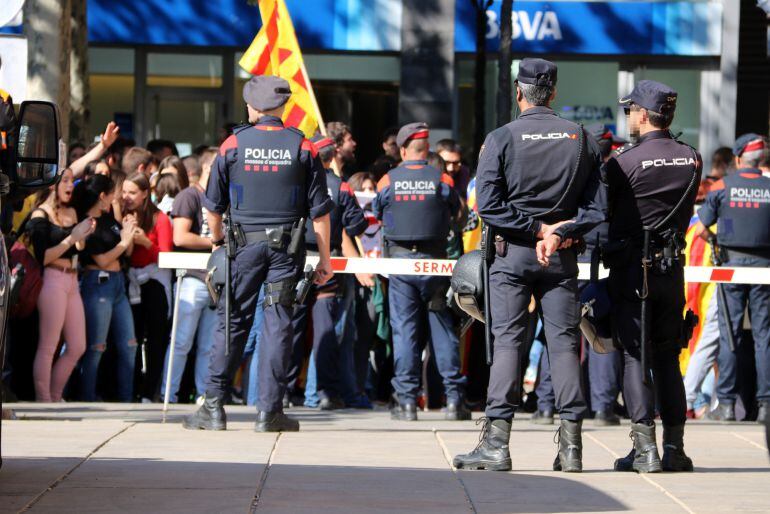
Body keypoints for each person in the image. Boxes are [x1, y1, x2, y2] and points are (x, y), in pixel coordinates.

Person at [453, 59, 604, 473]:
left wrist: (537, 229)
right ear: (553, 93)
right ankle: (572, 449)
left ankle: (497, 446)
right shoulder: (581, 138)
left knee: (508, 344)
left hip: (512, 254)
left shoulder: (501, 137)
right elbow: (598, 209)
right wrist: (558, 231)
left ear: (519, 93)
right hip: (562, 256)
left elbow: (488, 206)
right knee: (563, 345)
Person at [183, 75, 333, 432]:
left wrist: (219, 240)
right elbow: (320, 212)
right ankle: (269, 412)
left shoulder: (232, 144)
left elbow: (213, 207)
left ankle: (214, 406)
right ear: (282, 107)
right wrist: (325, 259)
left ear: (252, 107)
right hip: (287, 249)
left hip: (242, 247)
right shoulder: (304, 147)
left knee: (232, 321)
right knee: (279, 323)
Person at [603, 80, 701, 473]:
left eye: (630, 110)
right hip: (671, 272)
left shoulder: (623, 162)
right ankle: (674, 448)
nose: (628, 116)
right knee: (667, 357)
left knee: (634, 357)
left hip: (634, 270)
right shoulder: (692, 157)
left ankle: (645, 450)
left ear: (644, 114)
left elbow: (607, 214)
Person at [373, 122, 469, 422]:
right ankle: (454, 401)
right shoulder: (441, 178)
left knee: (405, 334)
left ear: (403, 150)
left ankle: (407, 403)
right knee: (443, 333)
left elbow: (378, 213)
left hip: (401, 266)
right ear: (426, 149)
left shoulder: (388, 180)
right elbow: (457, 211)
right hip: (436, 265)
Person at [286, 136, 368, 410]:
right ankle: (323, 393)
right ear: (332, 157)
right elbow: (357, 226)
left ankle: (285, 391)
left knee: (292, 329)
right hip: (327, 262)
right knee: (325, 332)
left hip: (295, 261)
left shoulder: (295, 181)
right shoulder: (341, 186)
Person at [697, 134, 770, 424]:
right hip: (765, 268)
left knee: (730, 333)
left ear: (739, 159)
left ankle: (725, 404)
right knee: (764, 337)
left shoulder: (722, 186)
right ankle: (765, 406)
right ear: (760, 160)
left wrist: (717, 241)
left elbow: (702, 228)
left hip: (730, 265)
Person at [28, 169, 95, 401]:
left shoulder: (72, 211)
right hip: (53, 279)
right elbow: (43, 257)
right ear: (51, 185)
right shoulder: (40, 215)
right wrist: (73, 237)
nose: (70, 185)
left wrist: (83, 234)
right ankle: (43, 399)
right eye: (64, 181)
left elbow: (80, 249)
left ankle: (55, 395)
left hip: (73, 279)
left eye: (71, 181)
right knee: (49, 345)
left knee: (77, 345)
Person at [73, 175, 138, 402]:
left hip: (118, 282)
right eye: (112, 194)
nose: (116, 199)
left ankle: (126, 399)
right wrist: (124, 241)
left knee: (129, 344)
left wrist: (128, 235)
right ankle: (87, 397)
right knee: (96, 347)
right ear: (102, 196)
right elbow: (100, 260)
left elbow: (125, 251)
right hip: (97, 283)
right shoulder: (86, 223)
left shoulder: (109, 218)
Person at [160, 149, 216, 404]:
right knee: (181, 342)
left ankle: (203, 396)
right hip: (192, 279)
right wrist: (213, 241)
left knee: (208, 346)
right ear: (207, 168)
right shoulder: (189, 196)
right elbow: (179, 236)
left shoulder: (221, 198)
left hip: (215, 281)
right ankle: (167, 395)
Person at [122, 173, 173, 403]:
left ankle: (149, 390)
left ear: (145, 194)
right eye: (124, 192)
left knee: (155, 340)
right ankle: (130, 389)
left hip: (154, 282)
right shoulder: (124, 215)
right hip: (131, 280)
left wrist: (145, 243)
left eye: (132, 192)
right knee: (131, 338)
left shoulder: (159, 218)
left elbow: (166, 256)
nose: (126, 197)